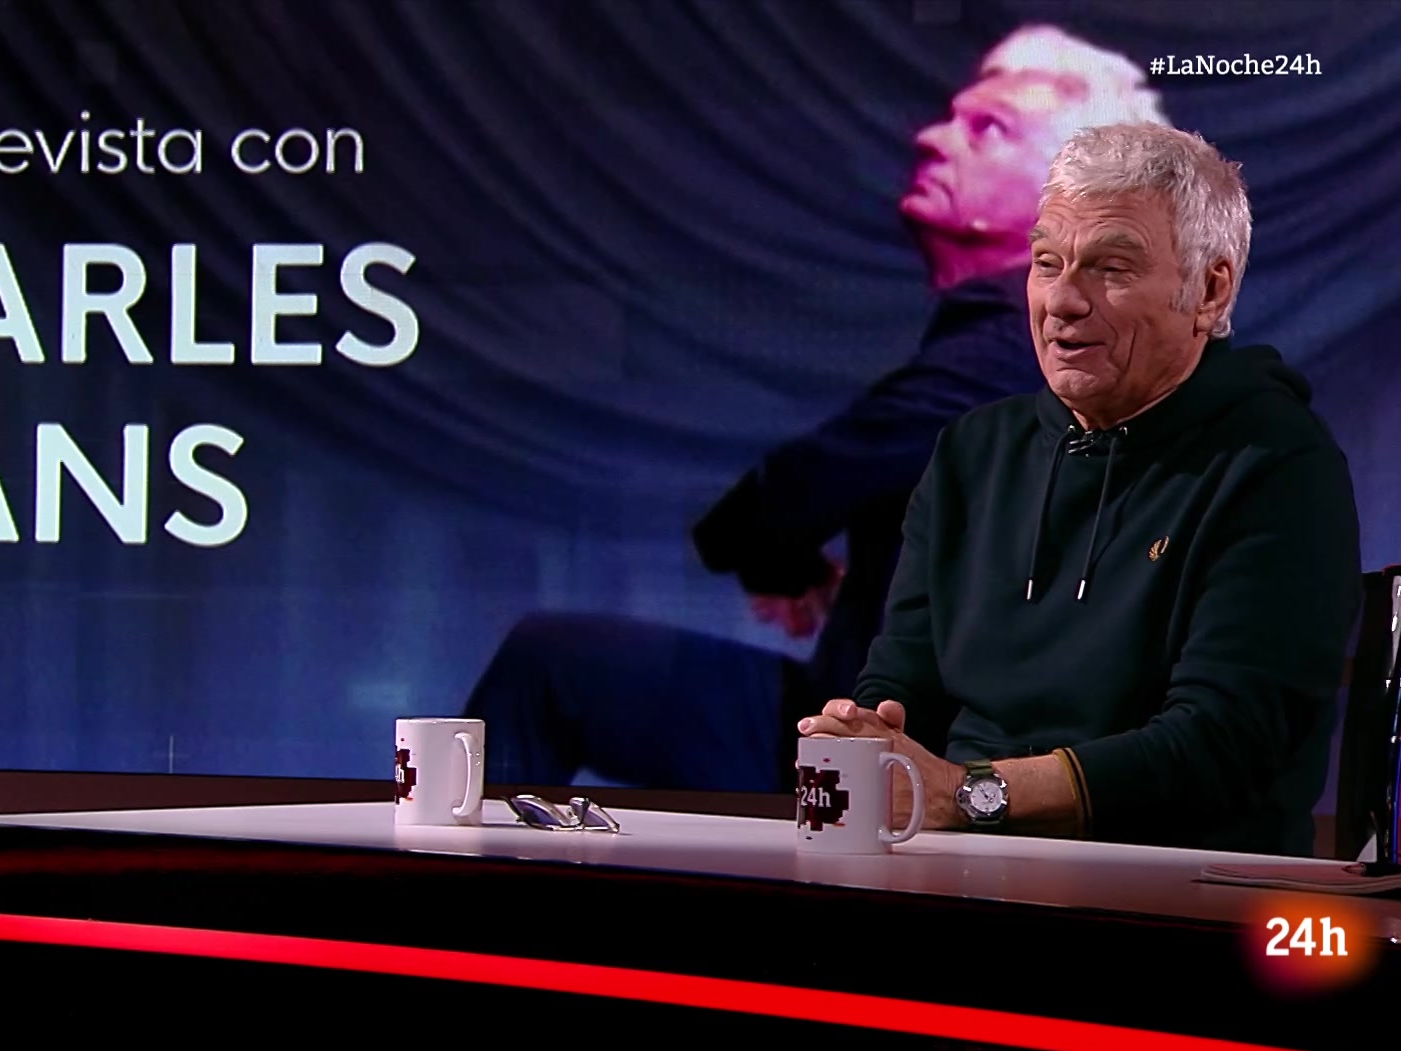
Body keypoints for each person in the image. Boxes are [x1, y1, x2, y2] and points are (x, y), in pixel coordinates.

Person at [466, 26, 1169, 791]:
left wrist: (776, 556)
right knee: (553, 661)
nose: (933, 137)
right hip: (876, 731)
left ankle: (440, 871)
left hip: (914, 767)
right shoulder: (1051, 338)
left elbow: (799, 487)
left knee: (548, 665)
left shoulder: (1021, 345)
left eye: (987, 128)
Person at [799, 122, 1361, 857]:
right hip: (955, 865)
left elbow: (1222, 743)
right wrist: (866, 737)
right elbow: (901, 683)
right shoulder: (973, 451)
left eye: (1111, 268)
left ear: (1210, 289)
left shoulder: (1277, 463)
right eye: (1046, 262)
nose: (1062, 300)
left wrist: (970, 795)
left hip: (1170, 885)